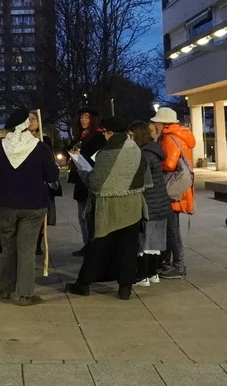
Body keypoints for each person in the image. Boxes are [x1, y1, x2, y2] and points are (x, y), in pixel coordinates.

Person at [66, 116, 151, 300]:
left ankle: (83, 283)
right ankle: (125, 288)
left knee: (99, 246)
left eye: (104, 131)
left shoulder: (106, 152)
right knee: (128, 248)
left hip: (110, 206)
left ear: (110, 132)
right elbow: (145, 178)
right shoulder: (136, 149)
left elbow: (96, 183)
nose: (103, 134)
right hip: (133, 205)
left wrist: (84, 172)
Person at [0, 108, 59, 306]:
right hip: (33, 205)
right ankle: (25, 294)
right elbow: (52, 176)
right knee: (26, 249)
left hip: (5, 204)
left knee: (8, 247)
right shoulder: (40, 147)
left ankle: (5, 288)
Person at [151, 107, 195, 279]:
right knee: (171, 228)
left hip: (172, 188)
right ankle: (169, 263)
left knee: (172, 229)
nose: (155, 124)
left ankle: (178, 265)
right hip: (177, 187)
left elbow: (169, 164)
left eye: (157, 122)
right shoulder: (178, 135)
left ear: (164, 123)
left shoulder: (169, 137)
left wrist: (154, 163)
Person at [132, 120, 168, 287]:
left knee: (144, 242)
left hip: (149, 203)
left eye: (131, 134)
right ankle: (153, 274)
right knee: (155, 241)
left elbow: (143, 182)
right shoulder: (154, 151)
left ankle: (142, 276)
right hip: (161, 202)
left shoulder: (144, 155)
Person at [69, 107, 105, 256]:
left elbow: (97, 159)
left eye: (87, 117)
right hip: (81, 179)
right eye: (82, 117)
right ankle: (87, 244)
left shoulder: (98, 137)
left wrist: (80, 156)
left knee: (88, 216)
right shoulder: (81, 136)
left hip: (90, 179)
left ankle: (92, 245)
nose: (83, 120)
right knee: (82, 215)